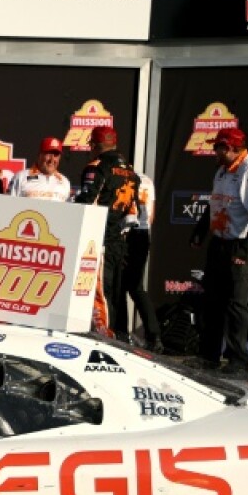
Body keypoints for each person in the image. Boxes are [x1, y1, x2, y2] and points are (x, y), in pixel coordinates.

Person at [189, 127, 248, 378]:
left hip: (243, 241)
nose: (215, 151)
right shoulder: (223, 169)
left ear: (232, 148)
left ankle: (238, 360)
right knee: (212, 300)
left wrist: (246, 250)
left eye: (219, 147)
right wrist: (201, 230)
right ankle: (208, 357)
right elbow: (215, 203)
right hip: (221, 239)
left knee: (236, 303)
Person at [73, 126, 141, 342]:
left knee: (100, 293)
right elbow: (133, 211)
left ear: (94, 145)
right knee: (115, 292)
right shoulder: (131, 172)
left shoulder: (97, 167)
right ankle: (120, 336)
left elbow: (87, 202)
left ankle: (105, 338)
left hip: (97, 239)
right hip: (118, 240)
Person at [124, 172, 162, 351]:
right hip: (142, 234)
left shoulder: (114, 175)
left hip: (123, 233)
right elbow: (151, 217)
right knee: (136, 287)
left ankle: (120, 334)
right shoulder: (147, 179)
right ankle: (154, 337)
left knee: (117, 286)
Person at [7, 136, 71, 202]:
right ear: (40, 154)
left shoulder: (65, 182)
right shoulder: (20, 177)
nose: (52, 159)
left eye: (56, 155)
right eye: (48, 154)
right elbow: (9, 205)